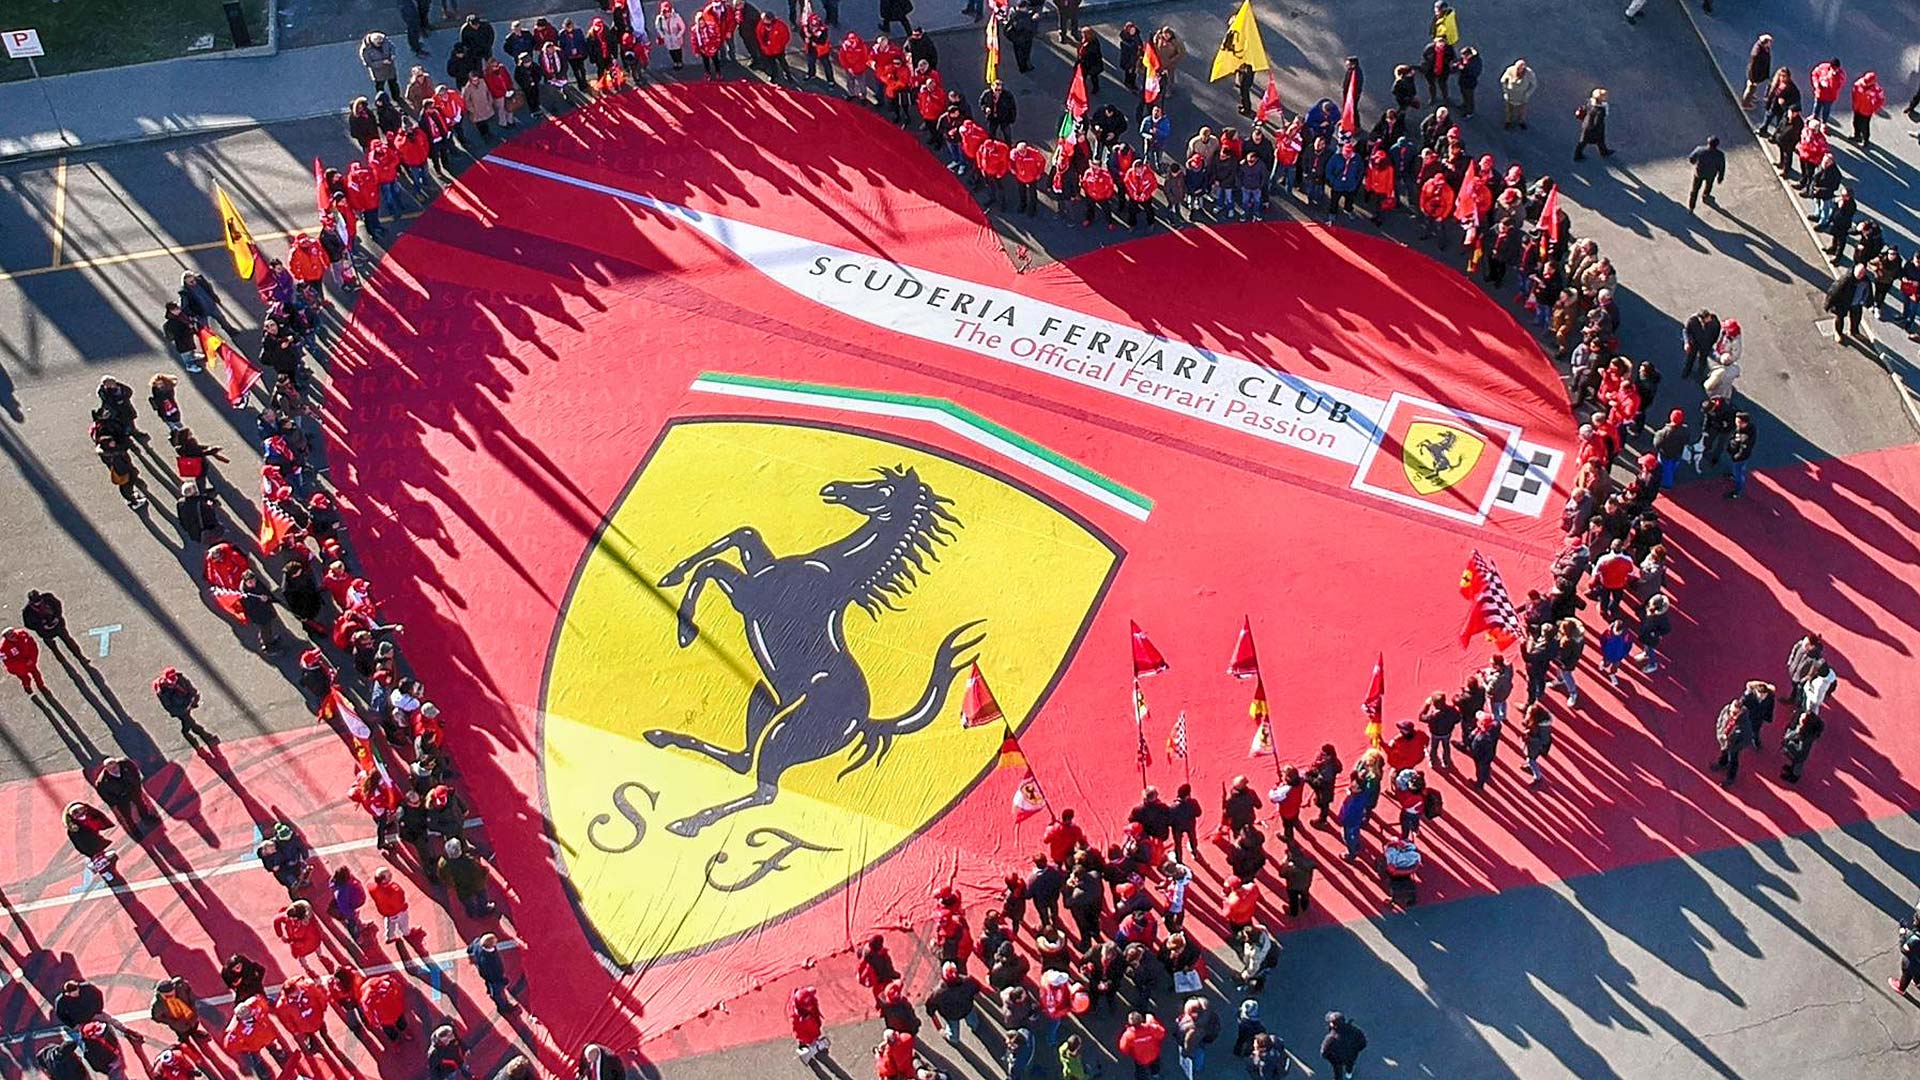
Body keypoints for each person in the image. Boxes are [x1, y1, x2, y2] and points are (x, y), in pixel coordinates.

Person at [93, 757, 160, 836]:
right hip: (120, 799)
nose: (114, 769)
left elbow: (135, 772)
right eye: (110, 769)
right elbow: (105, 796)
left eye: (115, 766)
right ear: (106, 769)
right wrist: (116, 802)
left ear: (117, 763)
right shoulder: (102, 782)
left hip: (133, 791)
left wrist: (137, 787)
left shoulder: (126, 764)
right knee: (127, 816)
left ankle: (146, 818)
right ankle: (134, 831)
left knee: (141, 804)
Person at [923, 961, 983, 1044]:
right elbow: (977, 989)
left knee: (953, 1033)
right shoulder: (967, 981)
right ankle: (975, 1026)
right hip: (967, 1009)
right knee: (973, 1021)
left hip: (952, 1016)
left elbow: (930, 1009)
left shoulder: (937, 994)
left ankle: (951, 1038)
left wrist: (938, 1027)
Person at [1118, 1011, 1166, 1080]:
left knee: (1140, 1071)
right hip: (1154, 1054)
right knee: (1155, 1066)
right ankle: (1155, 1074)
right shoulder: (1151, 1028)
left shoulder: (1128, 1035)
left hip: (1140, 1058)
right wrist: (1153, 1022)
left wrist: (1131, 1052)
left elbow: (1123, 1048)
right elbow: (1162, 1033)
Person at [1319, 1012, 1367, 1080]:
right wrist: (1355, 1050)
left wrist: (1332, 1059)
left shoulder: (1331, 1038)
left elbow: (1323, 1053)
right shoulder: (1354, 1030)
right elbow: (1363, 1043)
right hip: (1351, 1055)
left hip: (1338, 1059)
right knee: (1350, 1064)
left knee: (1338, 1073)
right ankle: (1349, 1074)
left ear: (1334, 1026)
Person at [2, 624, 46, 693]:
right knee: (26, 679)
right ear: (6, 637)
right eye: (9, 635)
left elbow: (33, 646)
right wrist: (25, 663)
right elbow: (9, 663)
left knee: (37, 675)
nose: (12, 636)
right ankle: (27, 687)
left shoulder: (22, 634)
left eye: (12, 633)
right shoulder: (3, 648)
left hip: (30, 662)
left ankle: (42, 687)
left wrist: (32, 659)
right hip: (19, 669)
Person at [1686, 136, 1725, 212]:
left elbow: (1691, 159)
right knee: (1709, 185)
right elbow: (1722, 167)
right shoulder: (1720, 155)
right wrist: (1720, 177)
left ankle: (1691, 207)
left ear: (1708, 142)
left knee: (1694, 190)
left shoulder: (1699, 150)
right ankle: (1705, 195)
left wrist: (1695, 163)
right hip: (1711, 174)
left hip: (1699, 173)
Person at [1574, 88, 1613, 160]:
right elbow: (1597, 121)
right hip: (1594, 127)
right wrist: (1597, 129)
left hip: (1586, 124)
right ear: (1601, 99)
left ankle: (1578, 154)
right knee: (1599, 139)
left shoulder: (1590, 103)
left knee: (1584, 140)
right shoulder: (1600, 110)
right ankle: (1603, 152)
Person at [1500, 58, 1537, 129]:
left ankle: (1521, 121)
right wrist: (1505, 90)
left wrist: (1527, 94)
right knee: (1509, 110)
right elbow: (1503, 80)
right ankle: (1508, 121)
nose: (1518, 70)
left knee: (1521, 110)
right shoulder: (1510, 70)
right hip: (1511, 95)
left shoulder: (1529, 73)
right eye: (1517, 68)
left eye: (1520, 68)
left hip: (1522, 96)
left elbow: (1533, 84)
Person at [1726, 412, 1756, 498]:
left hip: (1740, 458)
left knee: (1738, 473)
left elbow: (1743, 451)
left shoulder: (1746, 437)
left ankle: (1737, 491)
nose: (1736, 423)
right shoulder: (1742, 428)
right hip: (1736, 454)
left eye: (1738, 422)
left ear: (1744, 423)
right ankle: (1733, 475)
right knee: (1737, 470)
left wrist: (1736, 457)